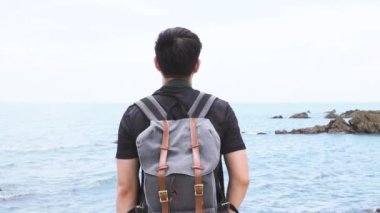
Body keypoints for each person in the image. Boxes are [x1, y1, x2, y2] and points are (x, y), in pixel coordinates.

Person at [116, 27, 249, 213]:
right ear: (197, 65)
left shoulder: (135, 114)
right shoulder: (219, 110)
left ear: (157, 64)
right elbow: (242, 178)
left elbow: (125, 189)